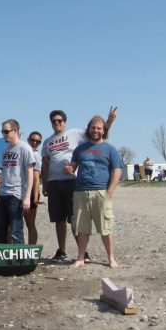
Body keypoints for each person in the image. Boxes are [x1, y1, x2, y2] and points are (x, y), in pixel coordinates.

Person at [41, 106, 117, 261]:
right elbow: (45, 163)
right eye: (54, 121)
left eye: (59, 121)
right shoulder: (48, 142)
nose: (57, 123)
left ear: (65, 122)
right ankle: (61, 251)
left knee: (75, 218)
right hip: (54, 182)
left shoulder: (75, 134)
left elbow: (97, 132)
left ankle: (83, 253)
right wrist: (45, 184)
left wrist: (109, 120)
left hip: (72, 182)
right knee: (58, 219)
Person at [64, 115, 123, 268]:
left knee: (105, 227)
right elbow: (73, 167)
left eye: (99, 128)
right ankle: (80, 257)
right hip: (81, 192)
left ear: (103, 131)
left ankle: (111, 258)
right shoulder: (80, 149)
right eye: (93, 128)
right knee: (82, 228)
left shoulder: (110, 149)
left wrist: (109, 192)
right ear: (88, 129)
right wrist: (69, 169)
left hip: (101, 192)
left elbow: (117, 171)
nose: (95, 130)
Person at [0, 119, 35, 244]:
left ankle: (20, 261)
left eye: (6, 131)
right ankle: (0, 260)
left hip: (16, 194)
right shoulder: (5, 151)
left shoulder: (24, 148)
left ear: (15, 131)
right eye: (2, 132)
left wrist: (27, 197)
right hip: (2, 194)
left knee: (16, 230)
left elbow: (30, 173)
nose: (4, 134)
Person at [24, 131, 43, 245]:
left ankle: (32, 249)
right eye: (33, 140)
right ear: (28, 140)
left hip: (30, 192)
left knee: (30, 223)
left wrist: (35, 197)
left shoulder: (35, 155)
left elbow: (36, 178)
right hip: (19, 191)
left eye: (37, 141)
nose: (34, 143)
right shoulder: (24, 152)